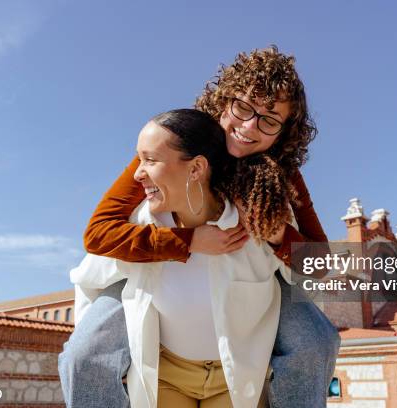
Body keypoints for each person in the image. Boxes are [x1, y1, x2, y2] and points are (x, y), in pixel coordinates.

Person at [60, 46, 338, 407]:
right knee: (85, 353)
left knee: (318, 340)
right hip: (144, 271)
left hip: (255, 276)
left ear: (284, 132)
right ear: (224, 100)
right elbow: (99, 232)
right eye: (243, 107)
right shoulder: (177, 142)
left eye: (269, 120)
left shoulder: (284, 174)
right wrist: (189, 241)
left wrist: (278, 235)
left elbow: (321, 261)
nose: (249, 127)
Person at [64, 109, 297, 408]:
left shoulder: (257, 219)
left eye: (150, 160)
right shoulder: (138, 228)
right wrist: (102, 354)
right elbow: (87, 280)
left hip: (238, 379)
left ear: (197, 167)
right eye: (139, 159)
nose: (137, 173)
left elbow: (321, 273)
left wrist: (277, 233)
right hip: (165, 378)